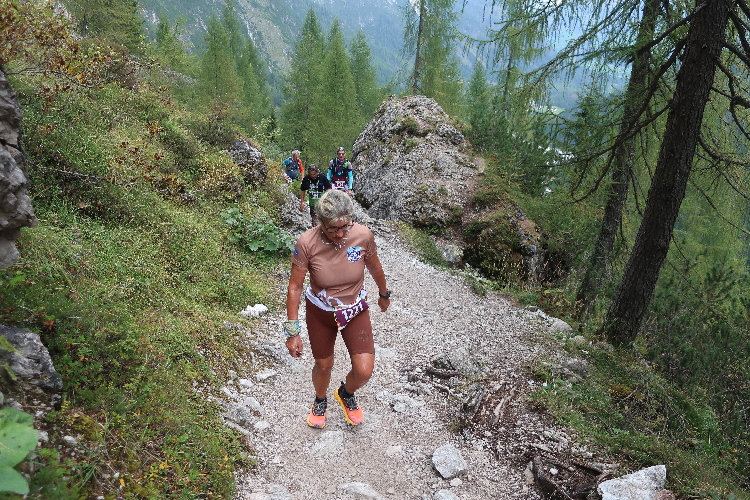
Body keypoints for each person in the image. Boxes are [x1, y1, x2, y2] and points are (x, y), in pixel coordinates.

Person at [283, 189, 391, 428]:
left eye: (345, 226)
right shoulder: (306, 243)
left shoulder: (363, 236)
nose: (340, 234)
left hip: (354, 310)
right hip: (321, 312)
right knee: (324, 365)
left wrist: (384, 293)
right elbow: (295, 287)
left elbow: (375, 267)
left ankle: (345, 393)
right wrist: (292, 331)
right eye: (333, 229)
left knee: (364, 371)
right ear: (320, 222)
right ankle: (320, 400)